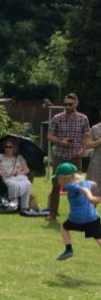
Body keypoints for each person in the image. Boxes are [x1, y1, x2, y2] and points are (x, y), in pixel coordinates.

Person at [47, 93, 90, 221]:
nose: (67, 106)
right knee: (56, 184)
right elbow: (49, 136)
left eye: (70, 104)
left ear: (76, 103)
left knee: (78, 185)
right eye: (65, 104)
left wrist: (83, 150)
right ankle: (53, 213)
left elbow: (86, 136)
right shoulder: (57, 118)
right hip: (60, 155)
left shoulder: (83, 118)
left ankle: (79, 212)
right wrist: (61, 141)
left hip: (75, 156)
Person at [52, 163, 101, 261]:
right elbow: (93, 184)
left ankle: (69, 250)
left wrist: (91, 197)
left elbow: (84, 190)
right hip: (92, 218)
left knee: (63, 227)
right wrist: (92, 185)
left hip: (77, 219)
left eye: (58, 178)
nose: (57, 181)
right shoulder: (86, 183)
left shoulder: (70, 186)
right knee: (99, 238)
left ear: (63, 178)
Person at [0, 139, 32, 210]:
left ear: (14, 148)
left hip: (19, 177)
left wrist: (18, 173)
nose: (7, 149)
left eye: (10, 147)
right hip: (7, 177)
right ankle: (13, 203)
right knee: (14, 185)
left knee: (27, 184)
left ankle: (24, 207)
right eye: (6, 147)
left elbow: (27, 170)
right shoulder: (0, 156)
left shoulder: (19, 158)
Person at [86, 110, 101, 196]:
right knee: (93, 190)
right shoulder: (95, 128)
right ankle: (91, 206)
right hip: (97, 162)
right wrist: (99, 140)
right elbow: (88, 145)